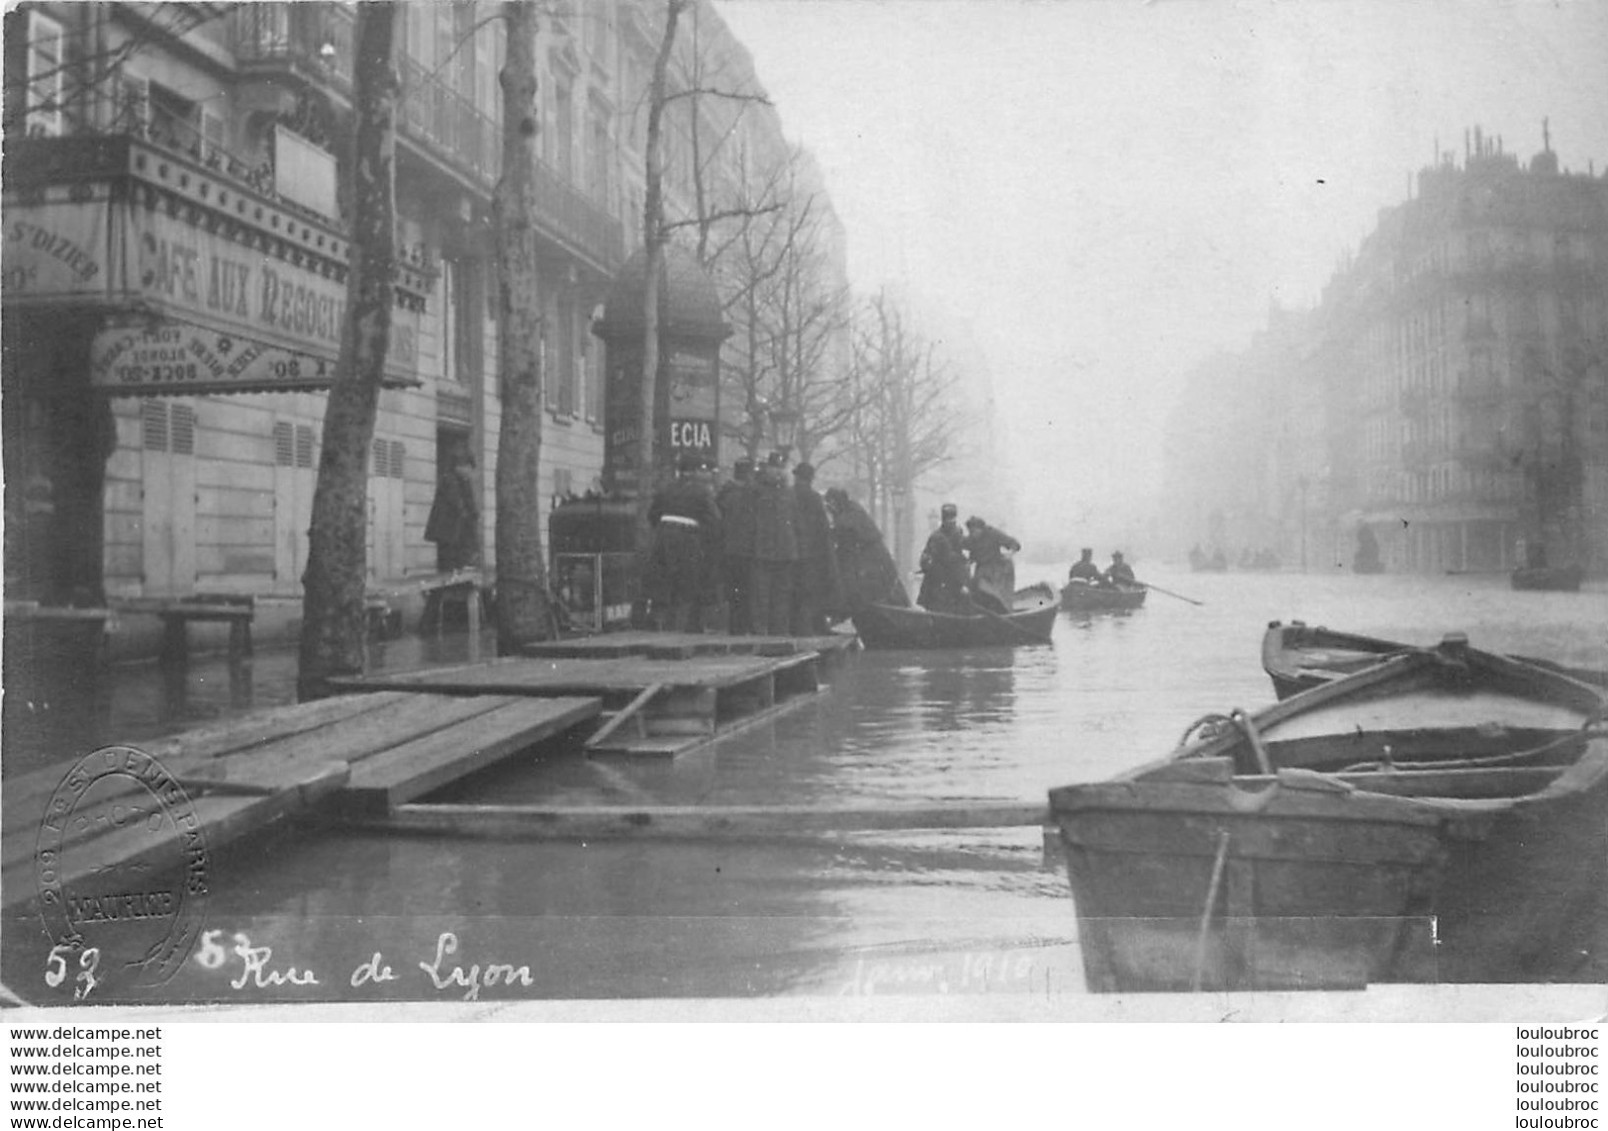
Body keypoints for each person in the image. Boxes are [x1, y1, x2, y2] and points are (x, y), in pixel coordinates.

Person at [646, 452, 722, 632]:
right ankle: (681, 628)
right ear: (695, 471)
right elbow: (715, 520)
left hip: (663, 538)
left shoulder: (665, 488)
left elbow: (652, 515)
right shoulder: (702, 491)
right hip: (687, 539)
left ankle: (659, 624)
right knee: (686, 584)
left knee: (663, 583)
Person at [825, 488, 910, 610]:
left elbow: (844, 532)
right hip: (874, 558)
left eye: (831, 504)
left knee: (878, 590)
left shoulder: (848, 516)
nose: (831, 510)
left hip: (871, 559)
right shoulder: (852, 509)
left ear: (835, 502)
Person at [748, 452, 798, 635]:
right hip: (762, 549)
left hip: (784, 550)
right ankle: (761, 629)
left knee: (781, 593)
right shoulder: (756, 491)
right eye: (775, 468)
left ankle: (779, 630)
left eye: (781, 468)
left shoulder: (789, 493)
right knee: (761, 593)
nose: (777, 472)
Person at [790, 462, 841, 635]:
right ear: (810, 479)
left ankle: (801, 627)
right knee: (811, 591)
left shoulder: (789, 494)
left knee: (794, 590)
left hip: (791, 550)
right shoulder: (813, 498)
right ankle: (810, 628)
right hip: (812, 552)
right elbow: (822, 528)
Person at [717, 458, 757, 633]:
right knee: (747, 591)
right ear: (749, 475)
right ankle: (742, 627)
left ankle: (734, 627)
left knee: (732, 591)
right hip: (748, 550)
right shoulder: (750, 496)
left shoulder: (725, 494)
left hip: (727, 549)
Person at [425, 447, 480, 572]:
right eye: (468, 467)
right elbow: (456, 500)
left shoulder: (463, 481)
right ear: (459, 466)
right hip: (446, 528)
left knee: (455, 556)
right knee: (448, 558)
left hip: (453, 528)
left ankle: (461, 566)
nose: (469, 472)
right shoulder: (449, 479)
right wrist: (467, 514)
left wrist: (474, 513)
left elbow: (470, 503)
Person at [917, 503, 970, 613]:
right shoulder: (936, 537)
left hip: (955, 578)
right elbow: (926, 556)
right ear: (944, 520)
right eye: (948, 519)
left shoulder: (958, 534)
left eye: (953, 519)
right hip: (938, 579)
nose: (951, 522)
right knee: (937, 606)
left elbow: (963, 555)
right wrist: (928, 563)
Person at [963, 515, 1020, 614]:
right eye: (971, 532)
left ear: (981, 528)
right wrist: (968, 562)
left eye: (975, 531)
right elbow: (972, 553)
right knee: (975, 589)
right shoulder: (972, 539)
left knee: (992, 592)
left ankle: (1000, 611)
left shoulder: (993, 533)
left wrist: (1010, 554)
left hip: (996, 569)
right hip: (981, 569)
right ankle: (982, 612)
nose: (973, 534)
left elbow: (1014, 544)